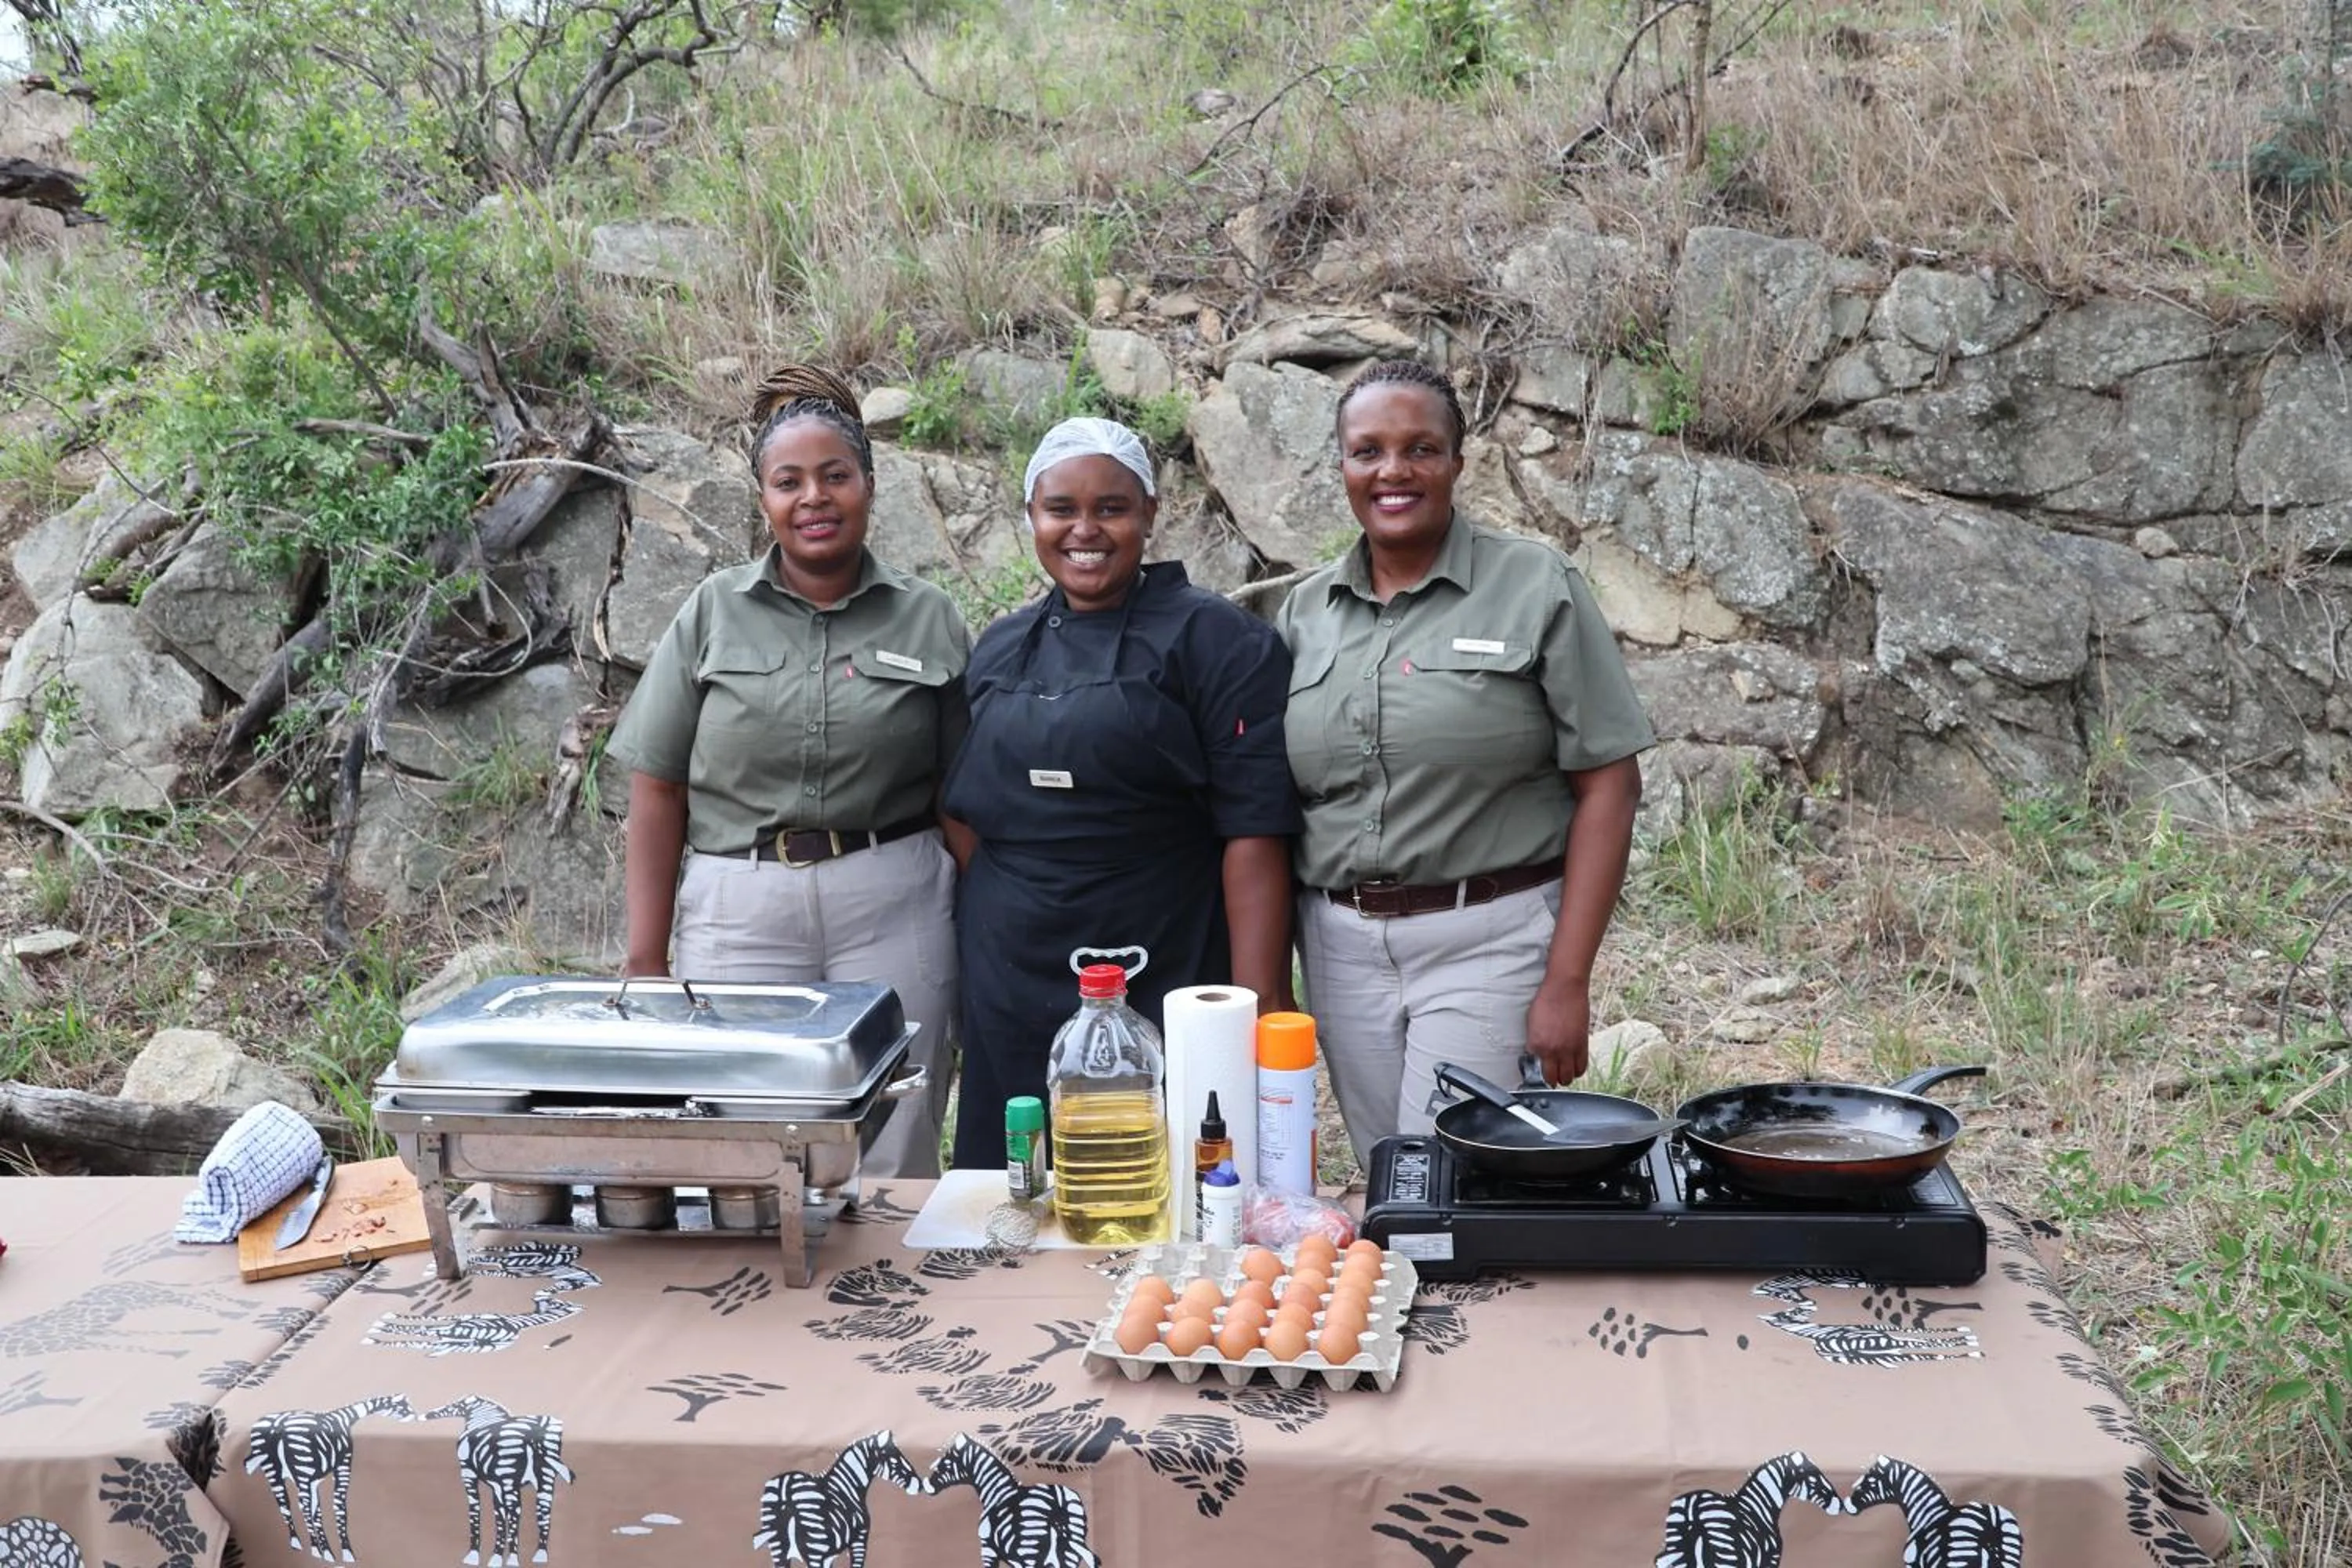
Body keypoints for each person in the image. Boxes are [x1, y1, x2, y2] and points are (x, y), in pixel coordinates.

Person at [1277, 360, 1656, 1169]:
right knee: (1393, 1170)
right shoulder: (1304, 611)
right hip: (1340, 946)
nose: (1393, 471)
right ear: (1340, 464)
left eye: (1420, 448)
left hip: (1487, 933)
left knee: (1453, 1173)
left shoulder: (1534, 583)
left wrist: (1568, 980)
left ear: (1458, 460)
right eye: (1367, 450)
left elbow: (1611, 787)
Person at [605, 365, 969, 1179]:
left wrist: (991, 931)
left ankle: (890, 1303)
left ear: (870, 486)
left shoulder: (929, 615)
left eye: (836, 475)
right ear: (764, 498)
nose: (815, 497)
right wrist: (645, 960)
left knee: (899, 1120)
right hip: (740, 909)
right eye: (789, 481)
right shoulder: (712, 611)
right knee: (740, 1134)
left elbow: (961, 796)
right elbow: (658, 785)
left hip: (894, 900)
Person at [941, 416, 1301, 1170]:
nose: (1085, 530)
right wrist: (1002, 918)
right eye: (1060, 509)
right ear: (1031, 517)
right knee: (1019, 1179)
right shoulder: (1001, 647)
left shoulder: (1218, 640)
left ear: (1149, 514)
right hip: (1014, 965)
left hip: (1165, 951)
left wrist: (1261, 998)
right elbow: (963, 811)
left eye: (1111, 508)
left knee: (1164, 1171)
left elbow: (1255, 830)